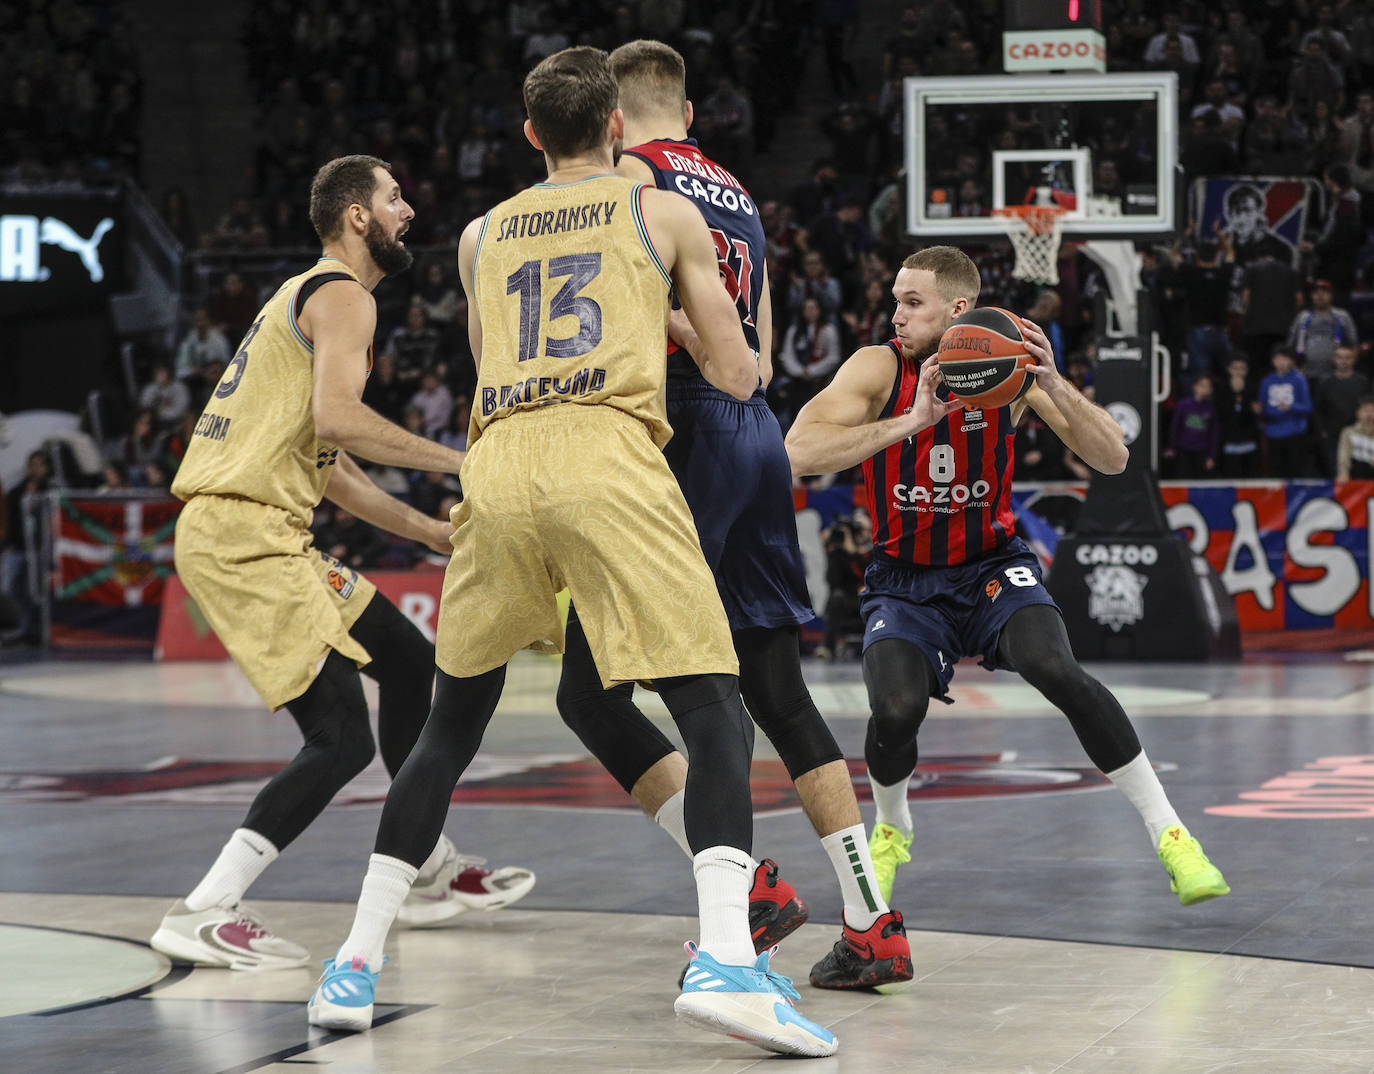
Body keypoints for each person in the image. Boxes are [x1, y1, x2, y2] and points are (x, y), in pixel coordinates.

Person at [309, 49, 837, 1059]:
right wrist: (667, 313)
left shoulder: (477, 234)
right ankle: (729, 959)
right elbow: (738, 373)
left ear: (528, 136)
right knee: (713, 706)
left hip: (500, 463)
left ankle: (354, 963)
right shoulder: (661, 212)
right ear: (618, 133)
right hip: (608, 456)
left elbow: (491, 354)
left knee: (449, 726)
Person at [553, 39, 912, 993]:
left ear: (614, 122)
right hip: (754, 430)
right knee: (781, 693)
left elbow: (636, 305)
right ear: (692, 115)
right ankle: (875, 922)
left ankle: (744, 893)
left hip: (683, 432)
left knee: (590, 695)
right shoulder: (733, 188)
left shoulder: (629, 177)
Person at [151, 156, 534, 972]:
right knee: (338, 739)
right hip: (243, 536)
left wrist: (428, 532)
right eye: (395, 198)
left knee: (407, 663)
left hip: (264, 530)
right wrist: (464, 461)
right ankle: (206, 906)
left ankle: (426, 868)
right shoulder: (344, 296)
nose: (408, 211)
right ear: (357, 215)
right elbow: (342, 419)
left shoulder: (308, 298)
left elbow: (333, 460)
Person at [784, 246, 1230, 910]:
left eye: (912, 303)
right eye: (896, 301)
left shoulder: (1009, 367)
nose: (895, 315)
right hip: (905, 579)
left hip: (993, 566)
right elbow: (795, 451)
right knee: (896, 709)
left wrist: (1052, 382)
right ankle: (892, 825)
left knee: (1056, 667)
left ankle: (1172, 834)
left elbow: (1113, 458)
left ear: (959, 311)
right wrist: (910, 423)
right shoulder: (880, 367)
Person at [1259, 344, 1313, 478]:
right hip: (1273, 433)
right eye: (1277, 359)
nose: (1281, 362)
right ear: (1272, 361)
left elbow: (1307, 407)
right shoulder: (1267, 381)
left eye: (1285, 359)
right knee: (1276, 472)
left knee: (1295, 471)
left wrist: (1291, 407)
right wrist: (1259, 410)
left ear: (1291, 361)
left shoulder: (1299, 380)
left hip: (1295, 432)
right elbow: (1263, 409)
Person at [1165, 375, 1220, 478]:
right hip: (1184, 451)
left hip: (1202, 452)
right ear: (1195, 387)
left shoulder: (1210, 407)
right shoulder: (1183, 405)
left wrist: (1211, 456)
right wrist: (1171, 447)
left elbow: (1213, 433)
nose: (1205, 389)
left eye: (1208, 387)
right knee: (1183, 478)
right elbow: (1175, 427)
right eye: (1202, 386)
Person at [1335, 395, 1374, 481]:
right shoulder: (1348, 432)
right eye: (1366, 411)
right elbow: (1343, 456)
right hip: (1355, 474)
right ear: (1358, 413)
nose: (1369, 414)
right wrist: (1343, 473)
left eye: (1372, 411)